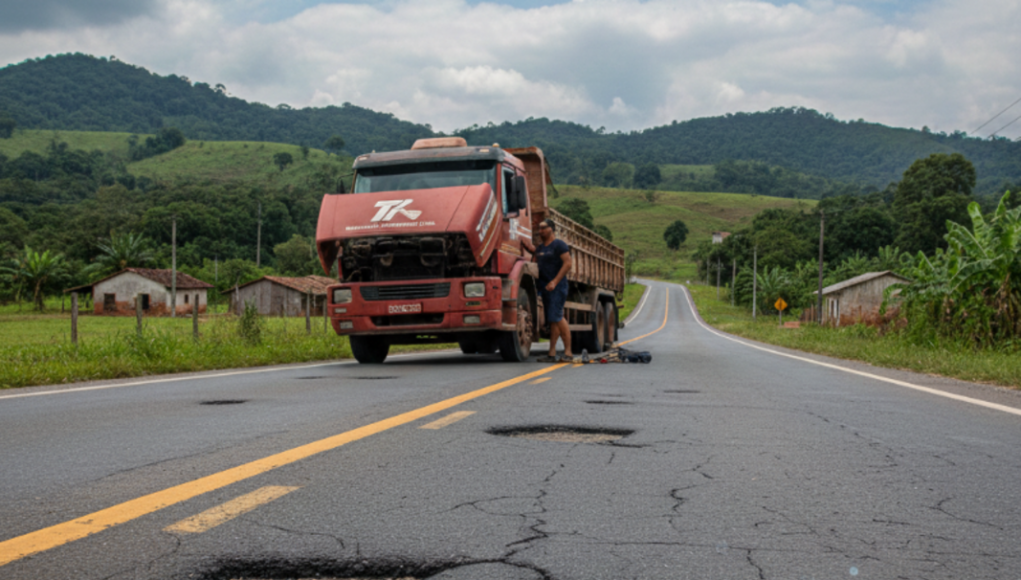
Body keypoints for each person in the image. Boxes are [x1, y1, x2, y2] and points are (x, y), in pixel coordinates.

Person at [522, 219, 573, 362]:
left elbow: (568, 263)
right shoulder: (540, 249)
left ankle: (568, 352)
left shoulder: (559, 245)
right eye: (539, 228)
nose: (540, 231)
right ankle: (551, 353)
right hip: (545, 288)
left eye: (543, 228)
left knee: (557, 317)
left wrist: (555, 281)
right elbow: (534, 256)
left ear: (551, 229)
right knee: (552, 320)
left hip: (558, 287)